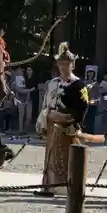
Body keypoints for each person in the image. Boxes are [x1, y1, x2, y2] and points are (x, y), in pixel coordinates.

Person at [34, 42, 89, 197]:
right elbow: (45, 104)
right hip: (53, 124)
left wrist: (74, 121)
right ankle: (49, 186)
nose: (63, 66)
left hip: (69, 126)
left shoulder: (79, 84)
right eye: (61, 63)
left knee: (67, 157)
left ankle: (66, 187)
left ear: (72, 64)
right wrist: (46, 117)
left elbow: (84, 107)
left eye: (67, 63)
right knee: (51, 156)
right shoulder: (52, 83)